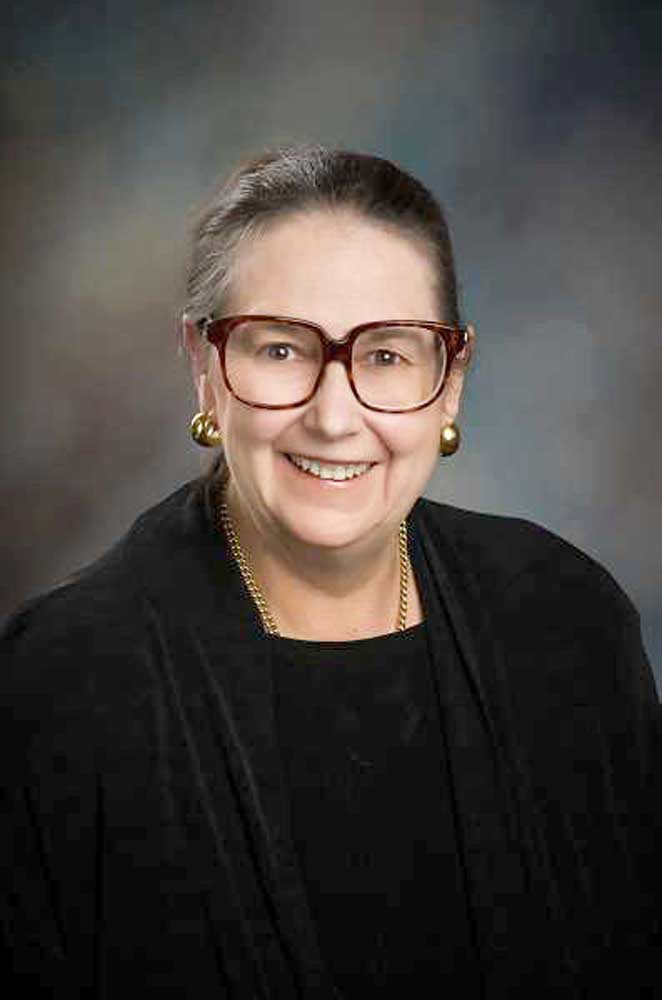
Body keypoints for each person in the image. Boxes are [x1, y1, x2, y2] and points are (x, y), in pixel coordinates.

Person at [1, 145, 660, 998]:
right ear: (204, 366)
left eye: (387, 355)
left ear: (451, 379)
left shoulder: (570, 625)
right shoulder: (55, 689)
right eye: (281, 350)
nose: (335, 417)